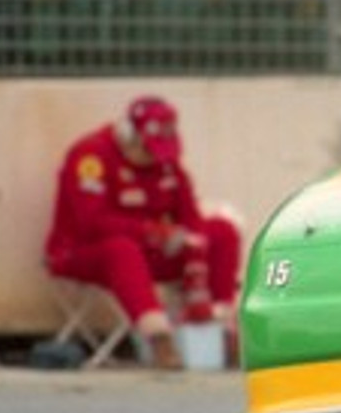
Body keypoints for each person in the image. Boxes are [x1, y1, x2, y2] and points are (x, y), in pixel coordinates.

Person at [44, 96, 242, 369]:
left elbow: (191, 218)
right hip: (81, 252)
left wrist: (191, 243)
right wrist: (152, 232)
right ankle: (159, 338)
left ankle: (223, 329)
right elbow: (91, 223)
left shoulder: (166, 162)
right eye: (149, 150)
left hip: (149, 252)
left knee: (222, 231)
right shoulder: (90, 157)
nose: (153, 158)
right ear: (128, 135)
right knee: (122, 249)